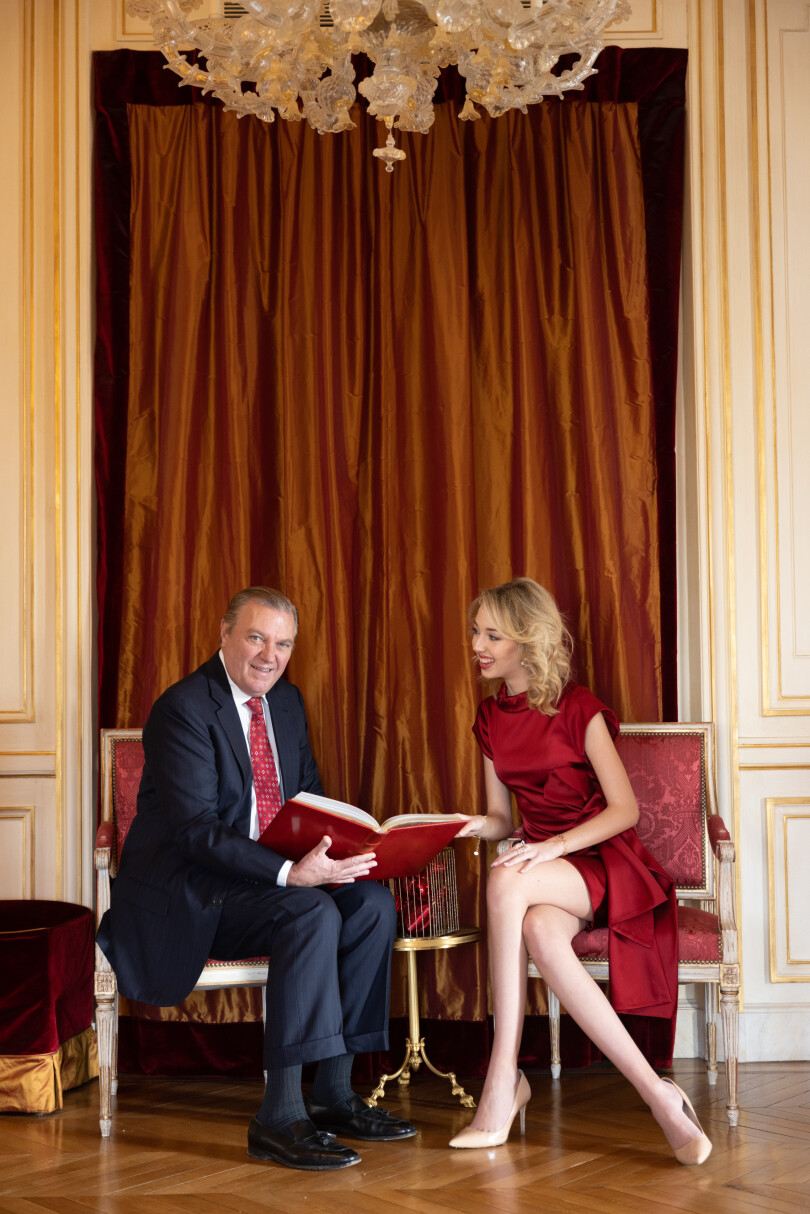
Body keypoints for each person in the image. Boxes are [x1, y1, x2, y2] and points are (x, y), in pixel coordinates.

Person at [96, 586, 415, 1171]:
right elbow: (195, 831)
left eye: (284, 643)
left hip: (264, 883)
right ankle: (280, 1117)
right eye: (257, 637)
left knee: (370, 904)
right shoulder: (184, 709)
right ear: (224, 636)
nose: (271, 655)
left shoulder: (287, 704)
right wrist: (293, 874)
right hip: (193, 895)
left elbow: (305, 798)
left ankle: (335, 1095)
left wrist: (338, 851)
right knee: (310, 911)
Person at [452, 577, 712, 1165]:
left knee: (503, 879)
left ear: (528, 639)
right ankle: (659, 1096)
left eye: (493, 633)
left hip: (600, 857)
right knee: (539, 929)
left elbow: (626, 811)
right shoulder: (490, 717)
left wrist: (552, 847)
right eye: (476, 631)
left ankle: (501, 1081)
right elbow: (501, 816)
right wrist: (469, 825)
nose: (478, 643)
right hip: (545, 861)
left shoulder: (579, 708)